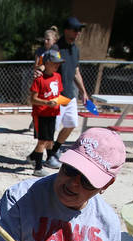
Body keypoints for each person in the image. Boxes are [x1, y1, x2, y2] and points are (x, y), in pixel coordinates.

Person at [47, 17, 91, 168]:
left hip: (70, 95)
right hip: (57, 96)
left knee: (71, 123)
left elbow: (76, 72)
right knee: (51, 129)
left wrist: (83, 92)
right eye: (75, 30)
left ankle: (54, 150)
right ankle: (48, 157)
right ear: (66, 30)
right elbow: (48, 70)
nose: (78, 33)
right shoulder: (56, 49)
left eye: (79, 30)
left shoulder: (75, 50)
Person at [28, 49, 63, 176]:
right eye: (55, 63)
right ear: (47, 63)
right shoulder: (39, 79)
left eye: (58, 63)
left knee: (49, 140)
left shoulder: (58, 77)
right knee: (42, 141)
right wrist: (46, 103)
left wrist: (61, 101)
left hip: (53, 113)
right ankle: (37, 168)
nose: (57, 65)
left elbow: (58, 93)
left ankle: (33, 157)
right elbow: (32, 99)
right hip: (41, 113)